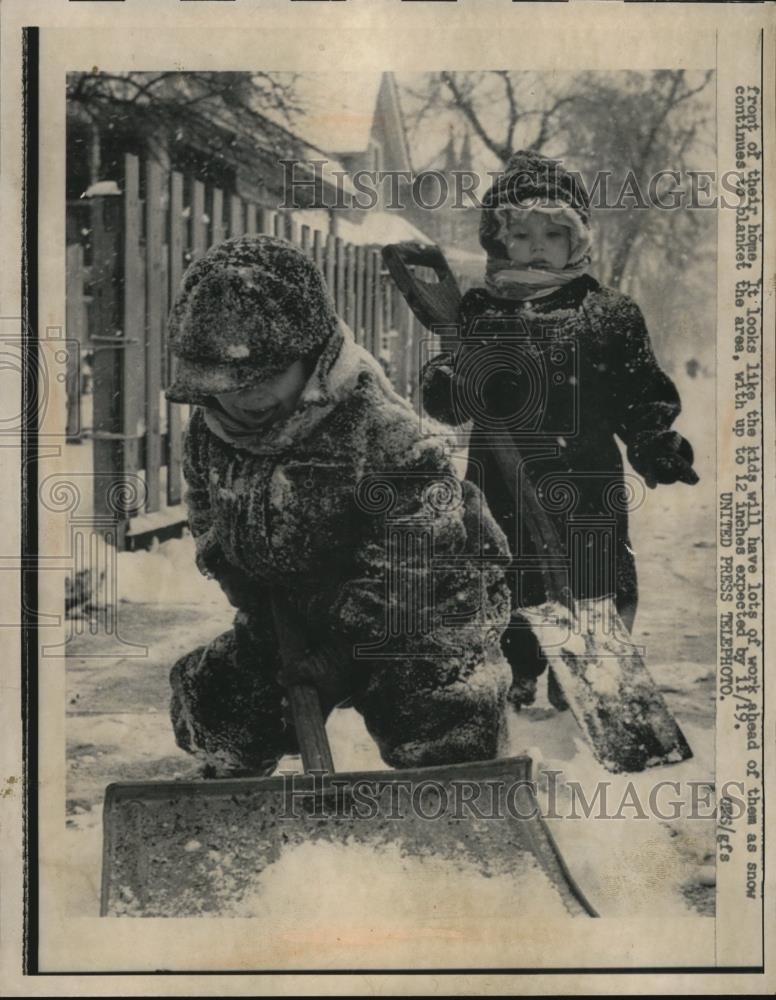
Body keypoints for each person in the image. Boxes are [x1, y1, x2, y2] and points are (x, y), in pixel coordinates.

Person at [164, 234, 513, 777]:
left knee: (438, 701)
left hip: (414, 607)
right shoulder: (211, 435)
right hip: (294, 608)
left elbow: (417, 558)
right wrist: (233, 570)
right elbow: (207, 506)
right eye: (223, 385)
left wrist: (345, 649)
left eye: (262, 378)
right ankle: (227, 799)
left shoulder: (380, 432)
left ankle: (451, 791)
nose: (243, 398)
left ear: (316, 357)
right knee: (218, 703)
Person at [421, 150, 699, 708]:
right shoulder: (477, 312)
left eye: (554, 232)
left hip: (587, 483)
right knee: (507, 578)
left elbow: (639, 393)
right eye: (521, 233)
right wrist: (457, 383)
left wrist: (654, 440)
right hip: (499, 482)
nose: (538, 245)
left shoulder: (609, 314)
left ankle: (588, 680)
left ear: (578, 239)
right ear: (499, 241)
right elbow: (445, 395)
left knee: (595, 581)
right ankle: (516, 673)